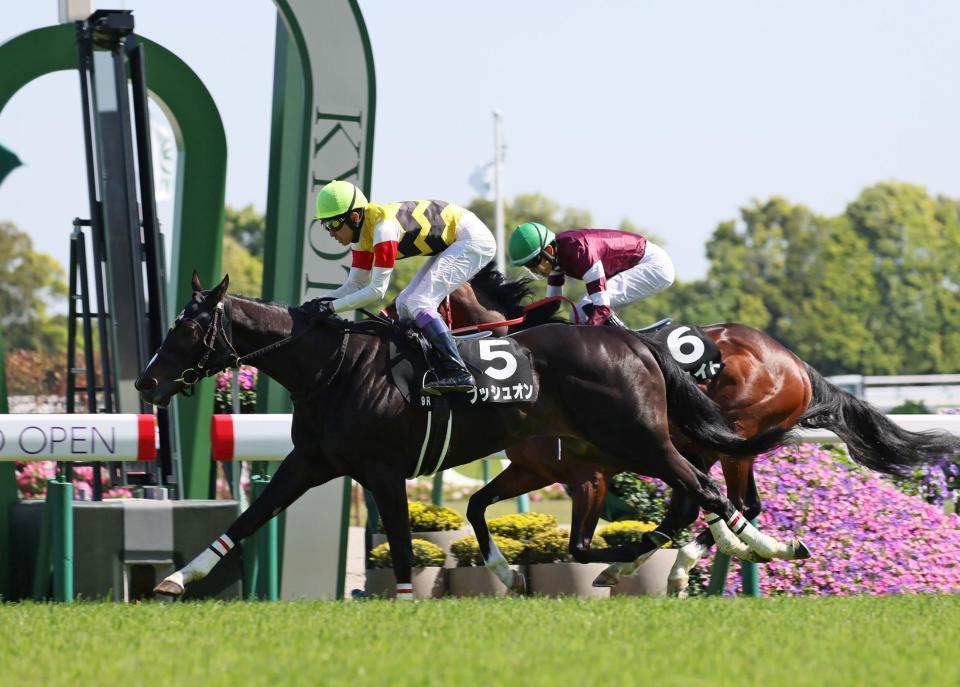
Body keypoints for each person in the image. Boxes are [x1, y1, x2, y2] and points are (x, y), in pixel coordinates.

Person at [313, 180, 496, 395]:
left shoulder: (384, 229)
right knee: (403, 304)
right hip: (454, 240)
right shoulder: (362, 235)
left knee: (419, 302)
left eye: (334, 224)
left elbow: (376, 290)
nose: (331, 233)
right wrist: (319, 302)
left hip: (472, 239)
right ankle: (426, 364)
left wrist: (332, 308)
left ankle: (458, 371)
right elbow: (355, 284)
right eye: (325, 225)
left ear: (354, 217)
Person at [507, 222, 675, 327]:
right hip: (638, 263)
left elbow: (602, 308)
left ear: (548, 250)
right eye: (528, 266)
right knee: (579, 313)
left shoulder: (579, 251)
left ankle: (634, 343)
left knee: (586, 307)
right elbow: (553, 304)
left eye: (533, 263)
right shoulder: (556, 256)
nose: (534, 270)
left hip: (654, 265)